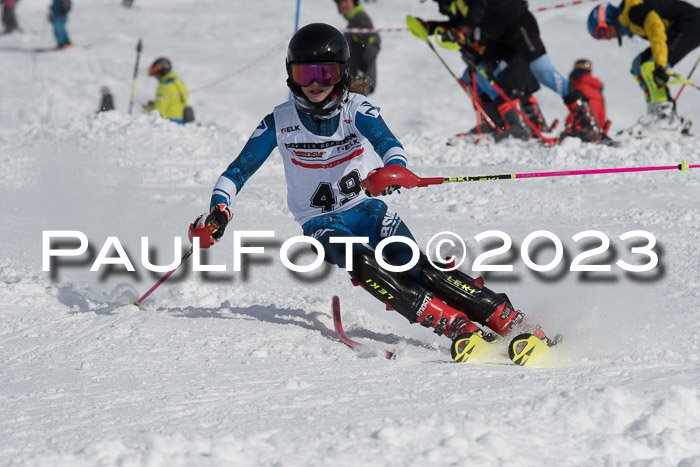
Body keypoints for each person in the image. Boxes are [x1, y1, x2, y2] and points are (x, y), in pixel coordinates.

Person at [191, 23, 556, 362]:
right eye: (306, 73)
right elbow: (237, 172)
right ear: (291, 76)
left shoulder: (355, 108)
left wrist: (391, 171)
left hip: (370, 208)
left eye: (326, 73)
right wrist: (218, 211)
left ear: (342, 74)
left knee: (413, 265)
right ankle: (454, 325)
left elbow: (390, 145)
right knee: (362, 263)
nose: (315, 84)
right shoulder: (279, 122)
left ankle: (512, 322)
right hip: (320, 221)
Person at [409, 0, 604, 143]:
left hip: (517, 23)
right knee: (483, 73)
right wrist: (432, 27)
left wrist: (464, 31)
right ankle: (507, 124)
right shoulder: (450, 4)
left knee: (543, 71)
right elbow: (466, 20)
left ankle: (587, 123)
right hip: (499, 37)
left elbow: (478, 8)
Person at [588, 1, 700, 133]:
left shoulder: (635, 12)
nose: (608, 37)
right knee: (638, 65)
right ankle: (655, 113)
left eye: (603, 31)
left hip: (691, 25)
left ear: (610, 17)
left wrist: (660, 64)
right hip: (681, 26)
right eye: (602, 37)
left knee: (650, 66)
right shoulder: (630, 18)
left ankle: (666, 117)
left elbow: (656, 31)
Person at [334, 0, 381, 94]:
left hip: (360, 79)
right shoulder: (353, 21)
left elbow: (374, 40)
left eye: (346, 1)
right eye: (340, 3)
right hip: (355, 79)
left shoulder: (360, 17)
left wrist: (362, 68)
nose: (343, 5)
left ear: (354, 2)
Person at [563, 59, 611, 141]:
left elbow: (577, 111)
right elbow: (601, 113)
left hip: (583, 131)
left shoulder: (577, 86)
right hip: (597, 130)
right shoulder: (596, 88)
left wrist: (568, 126)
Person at [143, 57, 194, 124]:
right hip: (181, 124)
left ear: (160, 73)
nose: (157, 78)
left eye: (156, 75)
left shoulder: (163, 87)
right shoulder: (181, 84)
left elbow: (159, 112)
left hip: (168, 124)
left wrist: (148, 108)